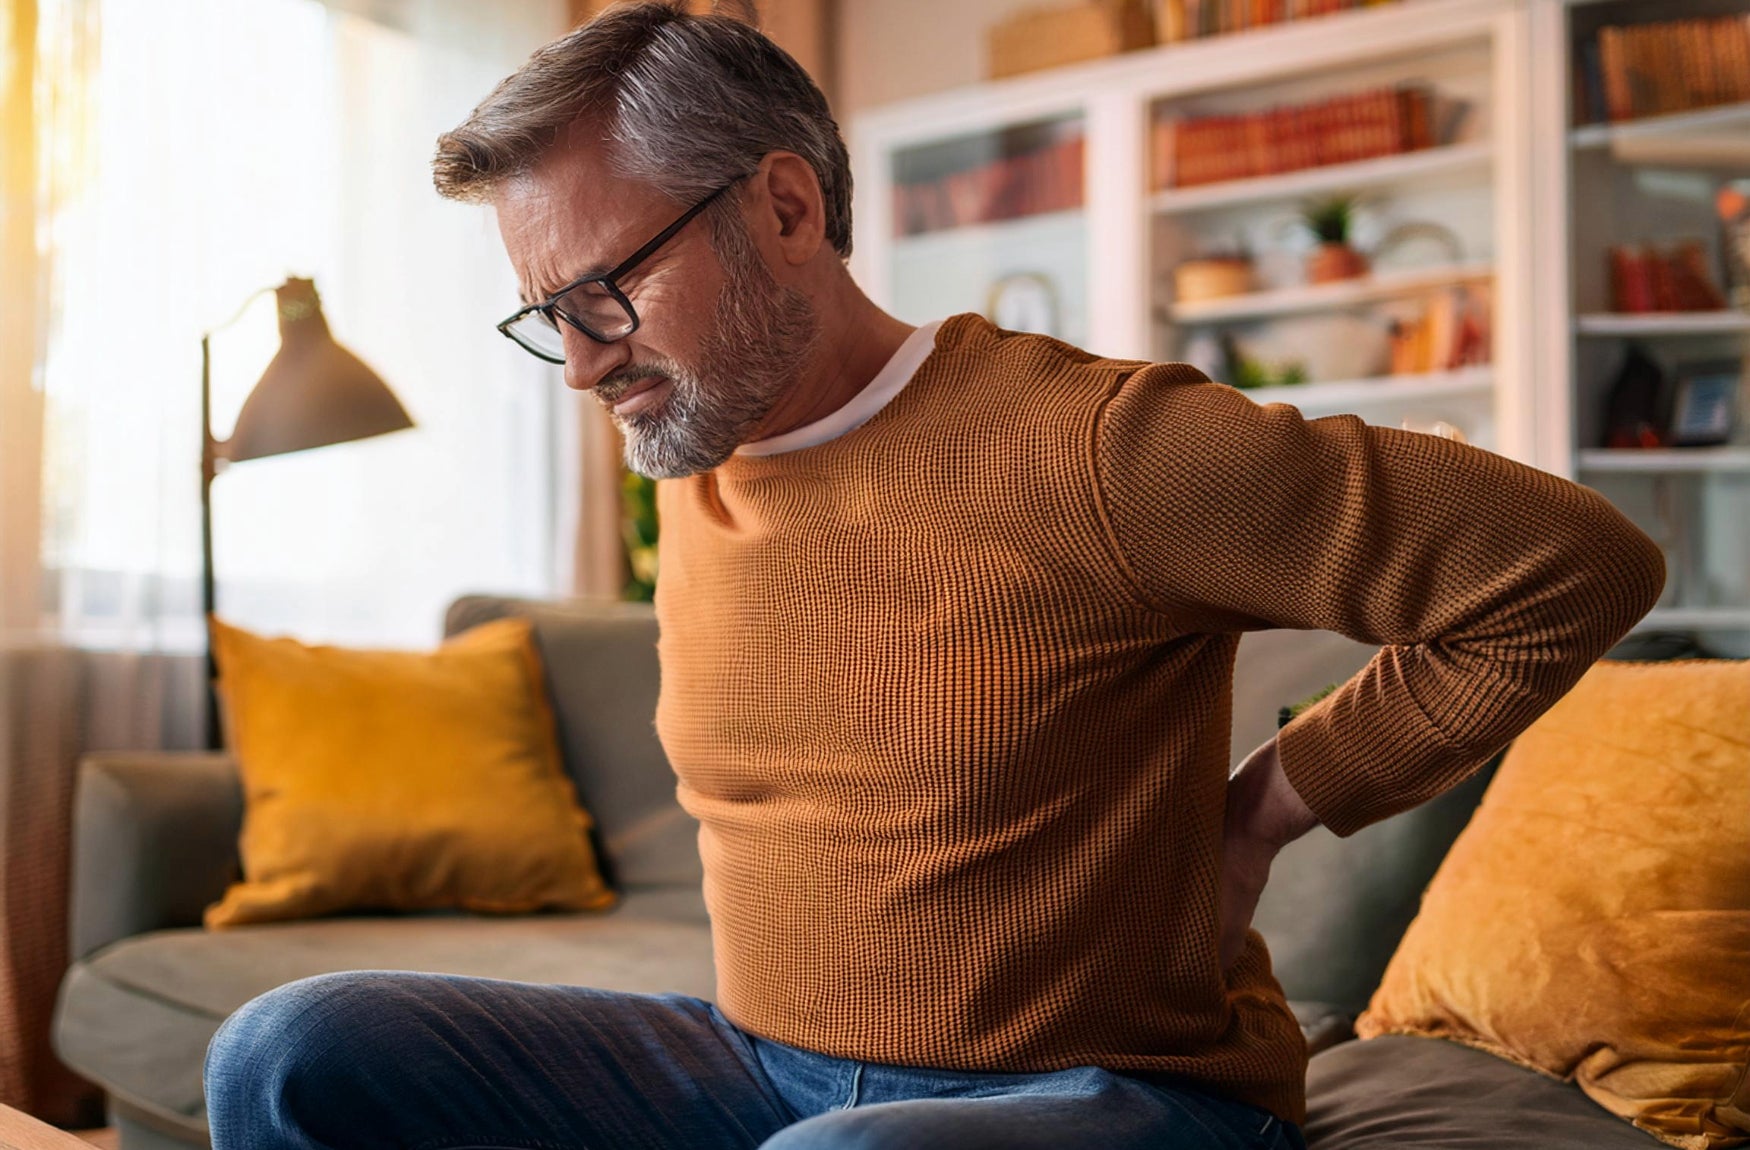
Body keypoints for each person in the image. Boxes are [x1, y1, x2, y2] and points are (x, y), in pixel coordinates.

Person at [203, 4, 1667, 1149]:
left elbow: (1565, 565)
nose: (582, 363)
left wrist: (1262, 810)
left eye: (607, 292)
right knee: (289, 1052)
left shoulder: (1099, 446)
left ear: (783, 209)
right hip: (757, 1063)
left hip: (1113, 1093)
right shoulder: (695, 472)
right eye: (547, 317)